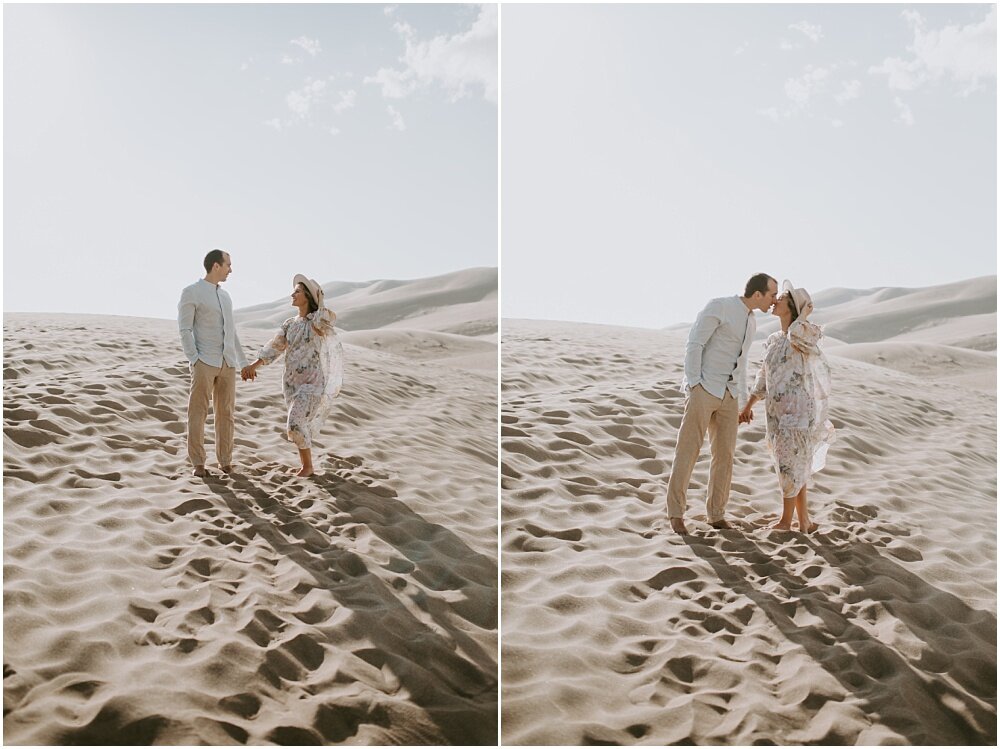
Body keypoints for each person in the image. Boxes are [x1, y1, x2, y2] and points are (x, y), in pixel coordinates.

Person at [666, 273, 778, 534]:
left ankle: (716, 514)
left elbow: (742, 361)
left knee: (725, 456)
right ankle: (676, 514)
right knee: (688, 450)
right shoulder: (721, 306)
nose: (773, 300)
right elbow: (694, 343)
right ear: (758, 294)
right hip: (704, 389)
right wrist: (694, 383)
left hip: (729, 395)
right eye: (771, 295)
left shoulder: (752, 322)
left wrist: (740, 400)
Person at [739, 281, 835, 533]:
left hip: (798, 412)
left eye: (780, 298)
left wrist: (802, 314)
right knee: (796, 464)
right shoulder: (774, 340)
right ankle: (804, 521)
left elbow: (809, 334)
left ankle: (786, 521)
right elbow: (764, 375)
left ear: (791, 306)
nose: (774, 300)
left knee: (788, 464)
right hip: (776, 413)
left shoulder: (799, 335)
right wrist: (749, 404)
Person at [242, 275, 344, 477]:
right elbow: (275, 347)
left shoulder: (317, 322)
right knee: (298, 424)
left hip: (313, 384)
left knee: (295, 423)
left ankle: (308, 467)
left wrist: (319, 299)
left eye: (297, 291)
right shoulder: (289, 324)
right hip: (291, 385)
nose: (292, 294)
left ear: (307, 296)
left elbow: (330, 318)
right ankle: (306, 465)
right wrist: (254, 365)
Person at [178, 249, 249, 477]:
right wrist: (194, 359)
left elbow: (232, 332)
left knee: (226, 413)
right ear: (216, 266)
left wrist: (243, 361)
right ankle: (198, 463)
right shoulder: (191, 292)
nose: (231, 269)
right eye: (228, 264)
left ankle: (225, 461)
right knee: (198, 413)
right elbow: (185, 329)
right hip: (204, 361)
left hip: (227, 363)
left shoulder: (226, 296)